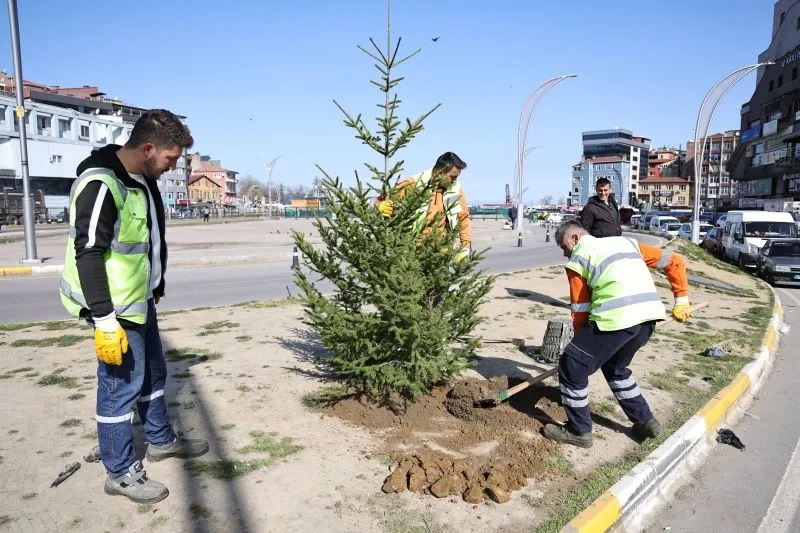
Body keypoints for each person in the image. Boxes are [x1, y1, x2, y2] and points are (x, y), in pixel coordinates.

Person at [59, 109, 208, 503]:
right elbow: (89, 253)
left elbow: (147, 241)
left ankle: (160, 440)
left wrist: (156, 285)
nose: (173, 167)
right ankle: (120, 472)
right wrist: (105, 320)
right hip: (114, 310)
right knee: (119, 388)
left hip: (141, 300)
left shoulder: (143, 180)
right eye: (171, 159)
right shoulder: (101, 184)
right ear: (148, 148)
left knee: (153, 375)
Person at [542, 220, 691, 448]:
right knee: (615, 368)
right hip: (647, 319)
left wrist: (579, 350)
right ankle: (646, 422)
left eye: (564, 247)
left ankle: (579, 431)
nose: (565, 254)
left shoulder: (578, 259)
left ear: (575, 238)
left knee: (572, 367)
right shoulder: (627, 243)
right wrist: (681, 301)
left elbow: (580, 310)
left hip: (614, 321)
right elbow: (675, 261)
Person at [376, 152, 472, 262]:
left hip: (441, 254)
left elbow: (463, 218)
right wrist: (380, 206)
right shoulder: (415, 183)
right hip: (412, 254)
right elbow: (383, 199)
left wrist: (465, 248)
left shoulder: (455, 188)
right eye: (453, 176)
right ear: (441, 172)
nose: (455, 180)